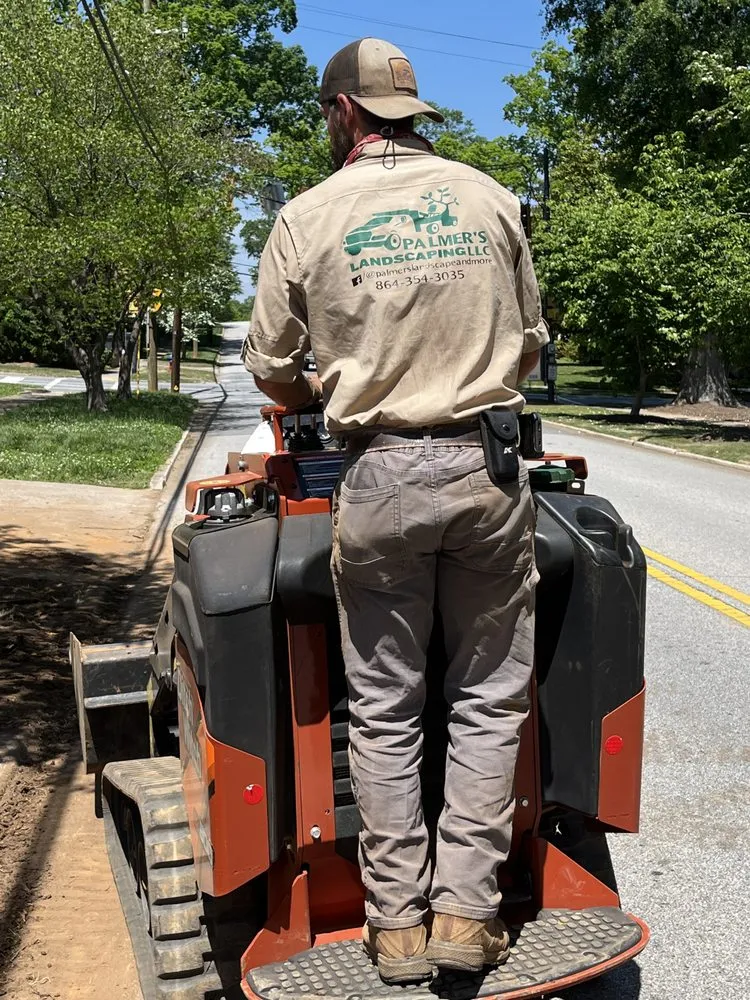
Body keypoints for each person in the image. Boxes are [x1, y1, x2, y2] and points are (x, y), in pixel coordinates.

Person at [242, 37, 549, 986]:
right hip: (489, 473)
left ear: (342, 115)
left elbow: (269, 367)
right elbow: (531, 344)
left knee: (385, 708)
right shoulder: (491, 198)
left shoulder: (307, 216)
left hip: (376, 478)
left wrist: (324, 386)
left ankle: (397, 929)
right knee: (492, 697)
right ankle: (468, 917)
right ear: (412, 114)